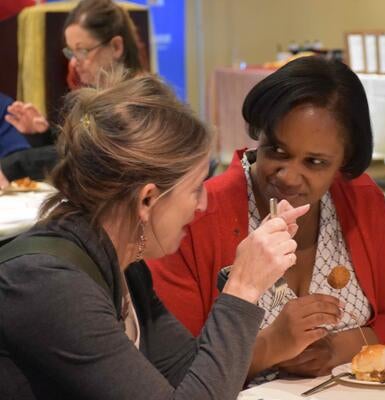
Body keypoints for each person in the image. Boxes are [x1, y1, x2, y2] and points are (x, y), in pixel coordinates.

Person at [0, 72, 309, 399]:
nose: (203, 204)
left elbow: (186, 374)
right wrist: (244, 287)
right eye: (194, 188)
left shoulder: (124, 263)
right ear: (147, 199)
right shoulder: (48, 284)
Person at [148, 56, 385, 380]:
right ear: (259, 133)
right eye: (277, 151)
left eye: (315, 162)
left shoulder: (360, 198)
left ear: (343, 163)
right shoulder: (197, 216)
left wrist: (337, 349)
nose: (290, 176)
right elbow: (174, 371)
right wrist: (271, 347)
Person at [0, 0, 144, 189]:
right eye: (71, 52)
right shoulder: (92, 97)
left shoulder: (141, 100)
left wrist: (15, 165)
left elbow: (93, 159)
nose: (75, 63)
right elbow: (71, 152)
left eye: (83, 51)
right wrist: (41, 137)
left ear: (116, 47)